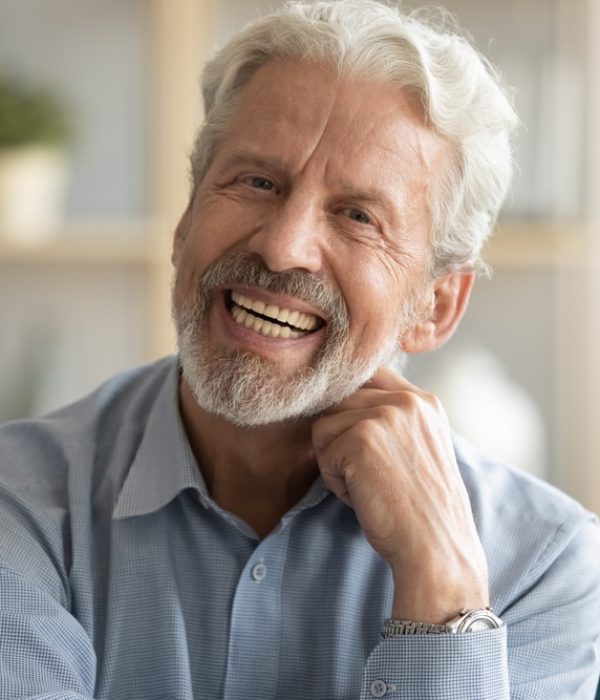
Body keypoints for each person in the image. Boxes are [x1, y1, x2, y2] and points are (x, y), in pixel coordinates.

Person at [0, 1, 599, 698]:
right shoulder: (21, 502)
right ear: (186, 218)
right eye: (257, 182)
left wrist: (445, 597)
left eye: (357, 215)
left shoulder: (544, 568)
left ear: (435, 307)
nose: (282, 246)